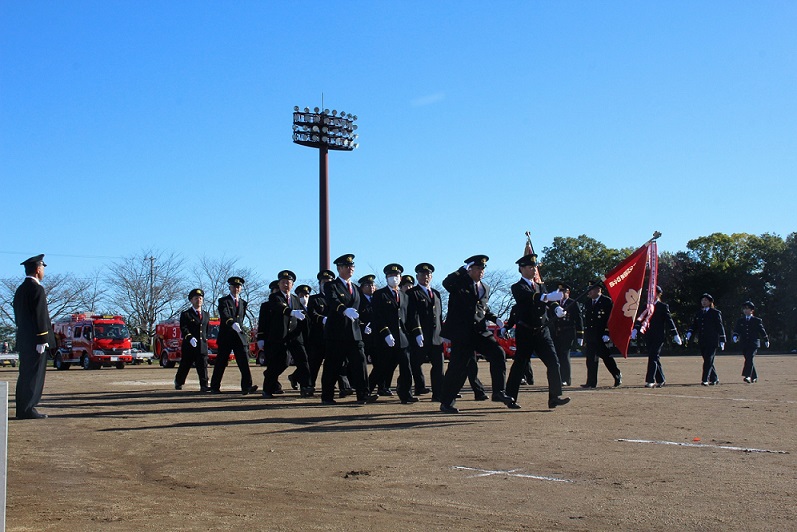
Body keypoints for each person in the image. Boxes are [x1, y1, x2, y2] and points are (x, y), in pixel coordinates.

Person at [438, 255, 516, 413]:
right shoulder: (459, 283)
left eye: (483, 269)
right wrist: (461, 270)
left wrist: (496, 319)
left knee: (498, 353)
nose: (481, 271)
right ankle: (446, 402)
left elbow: (483, 309)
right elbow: (446, 283)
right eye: (478, 268)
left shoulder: (485, 288)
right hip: (462, 333)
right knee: (458, 368)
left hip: (480, 331)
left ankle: (498, 392)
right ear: (470, 269)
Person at [507, 254, 570, 409]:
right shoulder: (518, 287)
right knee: (520, 365)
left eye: (535, 267)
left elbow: (551, 301)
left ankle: (554, 397)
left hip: (542, 331)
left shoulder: (540, 286)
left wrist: (557, 308)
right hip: (526, 332)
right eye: (530, 267)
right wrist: (546, 297)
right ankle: (510, 397)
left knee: (554, 363)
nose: (534, 269)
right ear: (521, 269)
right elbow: (528, 297)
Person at [320, 254, 377, 405]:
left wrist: (364, 326)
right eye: (347, 266)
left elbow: (361, 311)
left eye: (352, 266)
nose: (350, 268)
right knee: (332, 366)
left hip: (355, 333)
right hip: (337, 334)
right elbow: (333, 301)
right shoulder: (331, 285)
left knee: (360, 363)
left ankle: (363, 395)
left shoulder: (356, 289)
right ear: (339, 269)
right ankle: (327, 396)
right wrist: (344, 310)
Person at [13, 254, 54, 419]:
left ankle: (22, 408)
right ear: (38, 269)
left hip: (24, 339)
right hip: (35, 340)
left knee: (25, 374)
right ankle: (28, 408)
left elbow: (19, 316)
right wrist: (42, 338)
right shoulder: (37, 289)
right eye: (42, 267)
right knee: (33, 376)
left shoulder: (21, 289)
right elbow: (40, 315)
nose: (43, 271)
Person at [369, 264, 417, 404]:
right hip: (386, 338)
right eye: (391, 276)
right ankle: (367, 391)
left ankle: (406, 394)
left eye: (396, 276)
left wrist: (416, 333)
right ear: (386, 278)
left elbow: (408, 317)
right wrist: (386, 333)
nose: (394, 278)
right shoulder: (380, 294)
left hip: (402, 338)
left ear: (400, 278)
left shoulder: (404, 296)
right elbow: (378, 316)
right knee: (382, 368)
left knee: (406, 368)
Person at [261, 270, 313, 398]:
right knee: (279, 363)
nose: (286, 285)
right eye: (283, 282)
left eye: (288, 282)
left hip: (294, 336)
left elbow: (304, 318)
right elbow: (278, 307)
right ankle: (267, 388)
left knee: (303, 360)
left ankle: (306, 386)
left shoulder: (296, 299)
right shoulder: (275, 297)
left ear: (292, 285)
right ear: (279, 284)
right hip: (279, 336)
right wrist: (291, 312)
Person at [210, 276, 258, 394]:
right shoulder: (223, 301)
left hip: (239, 336)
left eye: (238, 287)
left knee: (244, 362)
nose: (236, 288)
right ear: (230, 287)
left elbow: (241, 318)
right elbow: (225, 314)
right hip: (226, 335)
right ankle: (215, 386)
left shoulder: (243, 303)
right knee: (221, 362)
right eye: (234, 286)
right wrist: (231, 323)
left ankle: (247, 386)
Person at [632, 286, 681, 388]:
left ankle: (650, 380)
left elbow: (669, 320)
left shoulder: (662, 306)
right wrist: (635, 329)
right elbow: (640, 318)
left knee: (653, 356)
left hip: (658, 336)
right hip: (648, 335)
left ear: (658, 294)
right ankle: (661, 379)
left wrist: (675, 334)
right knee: (654, 357)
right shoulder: (645, 306)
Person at [406, 263, 442, 399]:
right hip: (420, 336)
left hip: (436, 337)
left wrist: (443, 333)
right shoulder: (412, 293)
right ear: (417, 276)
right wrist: (417, 332)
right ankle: (409, 390)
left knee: (438, 366)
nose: (425, 277)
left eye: (428, 274)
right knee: (414, 364)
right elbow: (412, 315)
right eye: (422, 274)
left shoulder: (436, 294)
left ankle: (438, 394)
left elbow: (438, 316)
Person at [582, 281, 622, 388]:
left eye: (591, 289)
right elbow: (587, 321)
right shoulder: (587, 303)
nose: (589, 292)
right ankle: (591, 382)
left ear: (598, 290)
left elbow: (610, 318)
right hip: (591, 336)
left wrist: (607, 332)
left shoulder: (606, 302)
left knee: (606, 357)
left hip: (601, 335)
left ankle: (617, 375)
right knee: (590, 359)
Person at [175, 288, 212, 392]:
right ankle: (179, 381)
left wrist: (205, 340)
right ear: (191, 300)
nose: (199, 300)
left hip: (202, 345)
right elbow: (184, 328)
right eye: (196, 298)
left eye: (200, 298)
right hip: (189, 345)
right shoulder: (186, 314)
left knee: (203, 366)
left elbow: (206, 329)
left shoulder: (206, 314)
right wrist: (190, 337)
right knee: (185, 365)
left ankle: (204, 385)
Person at [686, 293, 726, 386]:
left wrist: (722, 339)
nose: (703, 302)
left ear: (710, 302)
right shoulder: (699, 313)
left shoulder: (715, 313)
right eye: (702, 300)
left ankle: (705, 379)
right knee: (708, 360)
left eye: (705, 300)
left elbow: (720, 326)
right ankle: (714, 378)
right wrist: (690, 332)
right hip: (702, 340)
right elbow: (695, 325)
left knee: (708, 359)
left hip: (712, 340)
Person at [550, 282, 583, 387]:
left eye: (563, 291)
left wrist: (580, 335)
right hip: (557, 332)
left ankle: (566, 379)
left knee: (564, 355)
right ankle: (559, 378)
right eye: (559, 291)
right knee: (557, 356)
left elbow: (579, 320)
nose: (560, 293)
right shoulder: (555, 303)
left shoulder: (573, 303)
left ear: (567, 292)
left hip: (568, 331)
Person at [731, 301, 769, 383]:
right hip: (744, 343)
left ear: (752, 310)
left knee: (749, 358)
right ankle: (754, 376)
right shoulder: (740, 320)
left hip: (753, 343)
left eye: (747, 309)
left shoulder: (757, 320)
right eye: (744, 309)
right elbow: (737, 330)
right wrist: (735, 336)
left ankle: (747, 376)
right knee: (749, 359)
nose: (745, 310)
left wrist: (766, 339)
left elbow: (761, 331)